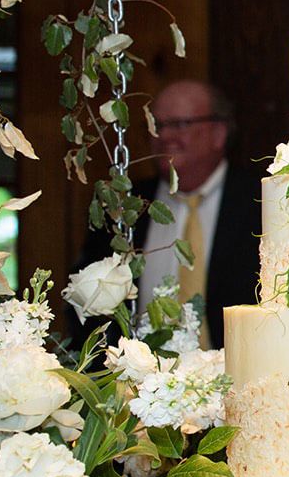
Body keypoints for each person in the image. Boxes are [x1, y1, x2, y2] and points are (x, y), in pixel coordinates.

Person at [75, 79, 259, 348]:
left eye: (181, 124)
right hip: (143, 384)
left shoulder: (260, 202)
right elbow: (88, 304)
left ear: (219, 133)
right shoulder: (124, 207)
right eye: (157, 125)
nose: (165, 136)